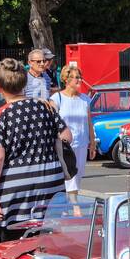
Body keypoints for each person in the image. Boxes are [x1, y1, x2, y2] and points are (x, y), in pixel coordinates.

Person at [0, 57, 71, 242]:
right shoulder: (46, 107)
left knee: (12, 248)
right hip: (51, 187)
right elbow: (67, 136)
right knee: (48, 248)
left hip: (16, 194)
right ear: (24, 82)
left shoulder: (3, 115)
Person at [49, 64, 95, 196]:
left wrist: (92, 143)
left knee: (78, 176)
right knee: (67, 176)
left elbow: (89, 122)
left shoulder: (85, 99)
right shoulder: (57, 98)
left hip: (81, 143)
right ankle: (72, 206)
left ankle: (71, 204)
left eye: (79, 77)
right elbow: (53, 123)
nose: (78, 80)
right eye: (75, 77)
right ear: (66, 79)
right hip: (64, 145)